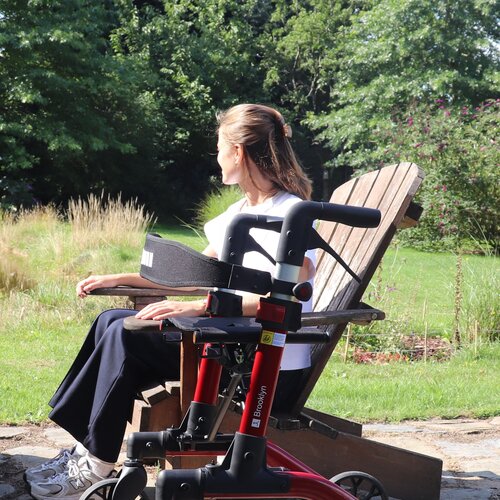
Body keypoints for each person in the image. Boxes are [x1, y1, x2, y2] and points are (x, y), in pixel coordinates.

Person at [25, 103, 316, 500]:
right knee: (110, 320)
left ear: (238, 152)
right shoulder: (243, 211)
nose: (216, 157)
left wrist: (200, 308)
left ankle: (96, 466)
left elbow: (289, 290)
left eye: (219, 148)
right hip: (230, 340)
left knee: (126, 335)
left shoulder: (290, 212)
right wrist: (120, 278)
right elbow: (197, 274)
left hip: (259, 360)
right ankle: (84, 448)